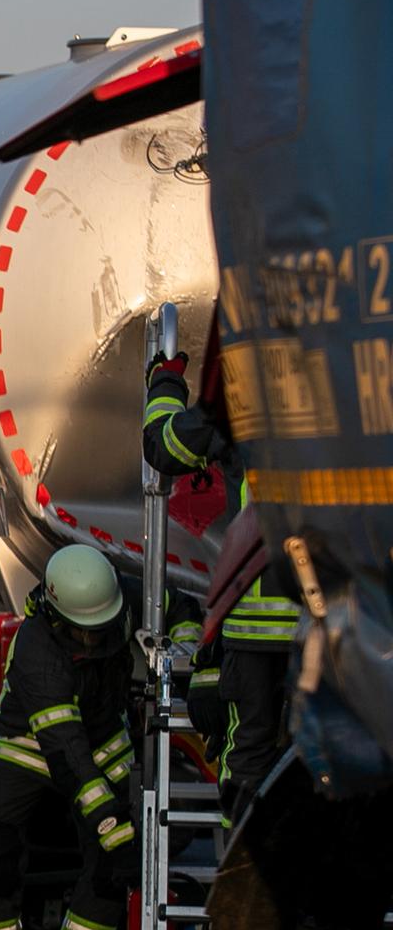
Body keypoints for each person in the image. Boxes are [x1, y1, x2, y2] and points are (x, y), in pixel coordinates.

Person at [0, 546, 139, 930]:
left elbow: (178, 606)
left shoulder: (124, 601)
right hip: (30, 745)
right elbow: (65, 751)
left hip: (104, 740)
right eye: (82, 631)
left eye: (100, 628)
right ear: (56, 615)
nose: (92, 640)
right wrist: (109, 821)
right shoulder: (36, 648)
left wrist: (193, 659)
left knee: (112, 866)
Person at [143, 350, 294, 819]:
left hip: (255, 626)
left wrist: (165, 382)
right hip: (337, 622)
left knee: (248, 757)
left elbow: (164, 446)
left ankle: (247, 860)